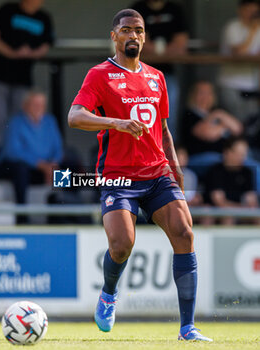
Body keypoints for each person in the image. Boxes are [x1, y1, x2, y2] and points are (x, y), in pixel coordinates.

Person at [68, 9, 212, 342]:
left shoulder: (157, 77)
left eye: (139, 30)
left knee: (184, 233)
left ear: (145, 37)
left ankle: (187, 328)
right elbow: (75, 116)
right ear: (114, 36)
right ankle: (108, 293)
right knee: (122, 245)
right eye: (126, 30)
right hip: (118, 176)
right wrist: (114, 123)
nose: (133, 36)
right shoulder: (99, 75)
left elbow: (162, 129)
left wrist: (175, 168)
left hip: (157, 173)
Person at [0, 0, 54, 171]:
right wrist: (12, 53)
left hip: (22, 77)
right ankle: (1, 164)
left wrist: (30, 53)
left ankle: (19, 163)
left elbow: (46, 45)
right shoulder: (8, 10)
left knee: (20, 121)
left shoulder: (43, 17)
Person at [0, 90, 63, 223]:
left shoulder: (50, 121)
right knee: (20, 170)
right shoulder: (16, 122)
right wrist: (41, 165)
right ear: (25, 106)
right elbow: (13, 151)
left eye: (42, 105)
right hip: (18, 168)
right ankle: (22, 217)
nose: (39, 108)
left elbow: (58, 148)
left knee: (65, 170)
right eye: (35, 104)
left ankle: (59, 214)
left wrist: (53, 164)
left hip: (44, 168)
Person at [130, 0, 189, 140]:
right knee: (138, 116)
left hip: (166, 74)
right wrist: (162, 50)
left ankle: (167, 157)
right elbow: (136, 42)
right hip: (139, 74)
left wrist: (157, 51)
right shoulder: (137, 9)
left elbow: (181, 43)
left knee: (168, 117)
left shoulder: (174, 9)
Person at [180, 81, 243, 176]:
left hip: (222, 156)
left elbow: (238, 129)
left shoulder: (217, 112)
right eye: (201, 92)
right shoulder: (190, 114)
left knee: (252, 166)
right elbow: (209, 134)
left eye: (209, 93)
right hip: (200, 158)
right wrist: (224, 125)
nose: (205, 96)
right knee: (219, 163)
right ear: (193, 95)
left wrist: (219, 113)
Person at [218, 0, 260, 120]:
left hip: (253, 84)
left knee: (251, 124)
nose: (252, 14)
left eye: (255, 11)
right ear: (240, 10)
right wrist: (252, 30)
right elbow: (239, 53)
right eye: (249, 10)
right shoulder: (232, 27)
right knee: (235, 122)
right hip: (231, 83)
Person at [203, 136, 259, 225]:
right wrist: (242, 209)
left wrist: (249, 208)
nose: (242, 157)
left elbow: (251, 200)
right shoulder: (215, 171)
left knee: (257, 216)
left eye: (244, 154)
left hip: (240, 211)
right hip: (219, 212)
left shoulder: (247, 172)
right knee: (228, 217)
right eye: (238, 153)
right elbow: (220, 202)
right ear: (227, 152)